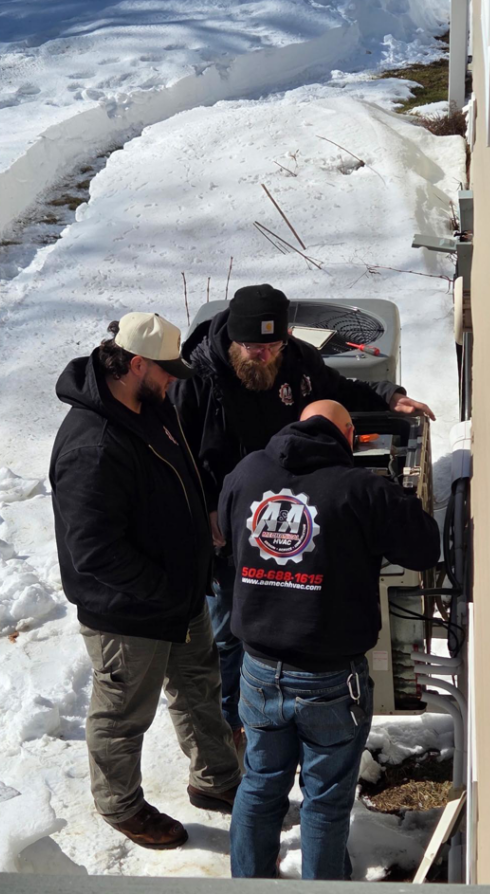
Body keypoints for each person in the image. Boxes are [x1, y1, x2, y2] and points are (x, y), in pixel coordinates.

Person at [171, 284, 434, 741]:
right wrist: (206, 511)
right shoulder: (196, 379)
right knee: (228, 633)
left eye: (273, 346)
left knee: (280, 620)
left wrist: (389, 396)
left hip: (286, 514)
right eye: (255, 347)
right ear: (233, 339)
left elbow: (338, 390)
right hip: (225, 523)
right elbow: (177, 459)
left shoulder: (295, 361)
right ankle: (226, 728)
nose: (264, 356)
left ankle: (278, 711)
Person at [217, 400, 440, 879]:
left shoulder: (247, 471)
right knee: (325, 799)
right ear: (349, 435)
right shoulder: (362, 488)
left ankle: (249, 883)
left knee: (260, 785)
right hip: (329, 679)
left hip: (257, 669)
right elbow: (425, 547)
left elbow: (227, 531)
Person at [49, 313, 241, 850]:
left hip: (179, 596)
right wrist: (162, 590)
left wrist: (203, 515)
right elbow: (94, 552)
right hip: (130, 614)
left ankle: (218, 781)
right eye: (166, 370)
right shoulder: (93, 446)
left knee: (200, 689)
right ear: (136, 364)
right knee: (121, 716)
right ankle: (121, 807)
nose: (175, 380)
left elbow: (181, 471)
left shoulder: (152, 407)